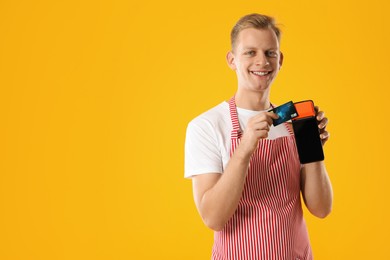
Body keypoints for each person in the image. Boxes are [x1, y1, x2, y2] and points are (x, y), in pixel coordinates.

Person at [184, 13, 333, 260]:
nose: (262, 61)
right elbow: (213, 218)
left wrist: (313, 150)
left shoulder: (293, 123)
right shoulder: (207, 126)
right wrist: (245, 147)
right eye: (250, 52)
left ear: (280, 59)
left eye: (270, 53)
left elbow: (321, 209)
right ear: (232, 60)